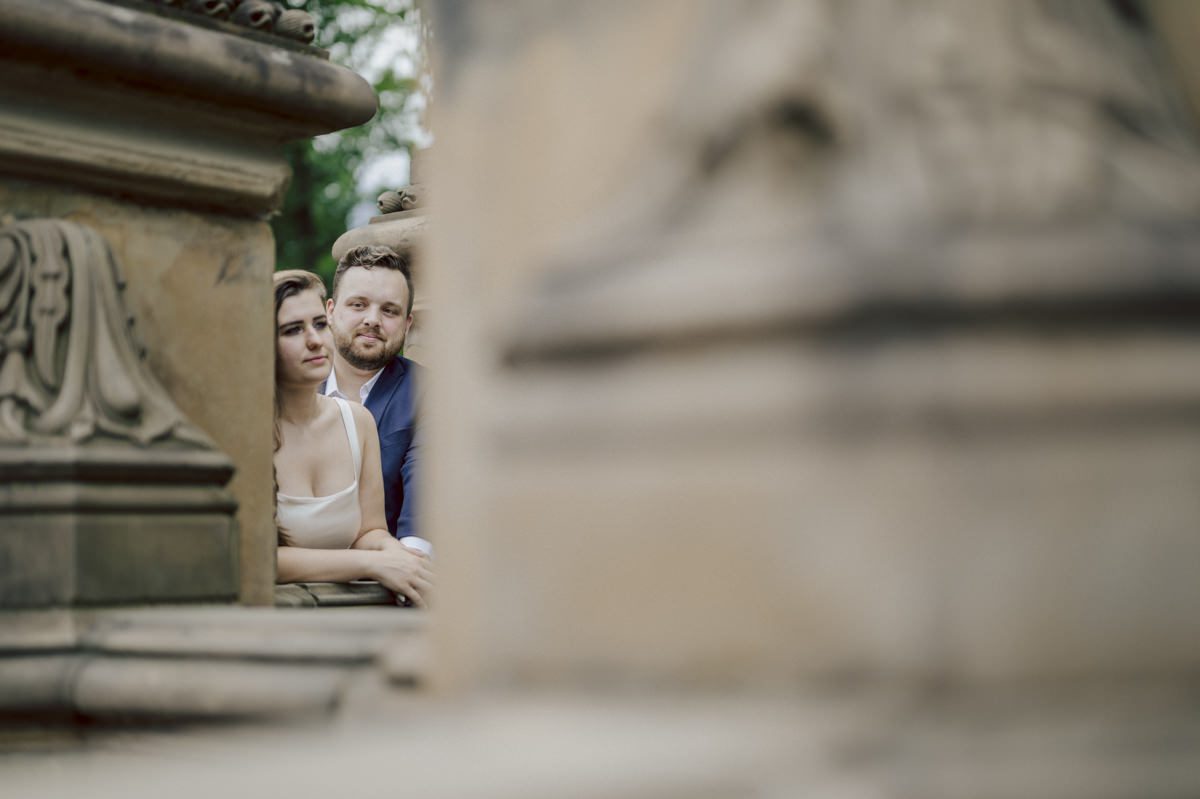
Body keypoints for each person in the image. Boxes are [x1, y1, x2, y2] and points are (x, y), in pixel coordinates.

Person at [273, 269, 432, 606]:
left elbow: (368, 532)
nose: (314, 339)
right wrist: (372, 563)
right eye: (292, 330)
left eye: (318, 325)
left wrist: (404, 559)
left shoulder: (357, 421)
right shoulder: (245, 432)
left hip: (352, 608)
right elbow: (253, 558)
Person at [323, 245, 423, 539]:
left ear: (407, 324)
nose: (372, 319)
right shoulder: (286, 386)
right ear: (331, 311)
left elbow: (424, 498)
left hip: (386, 576)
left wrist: (414, 561)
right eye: (358, 305)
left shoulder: (431, 394)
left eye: (389, 310)